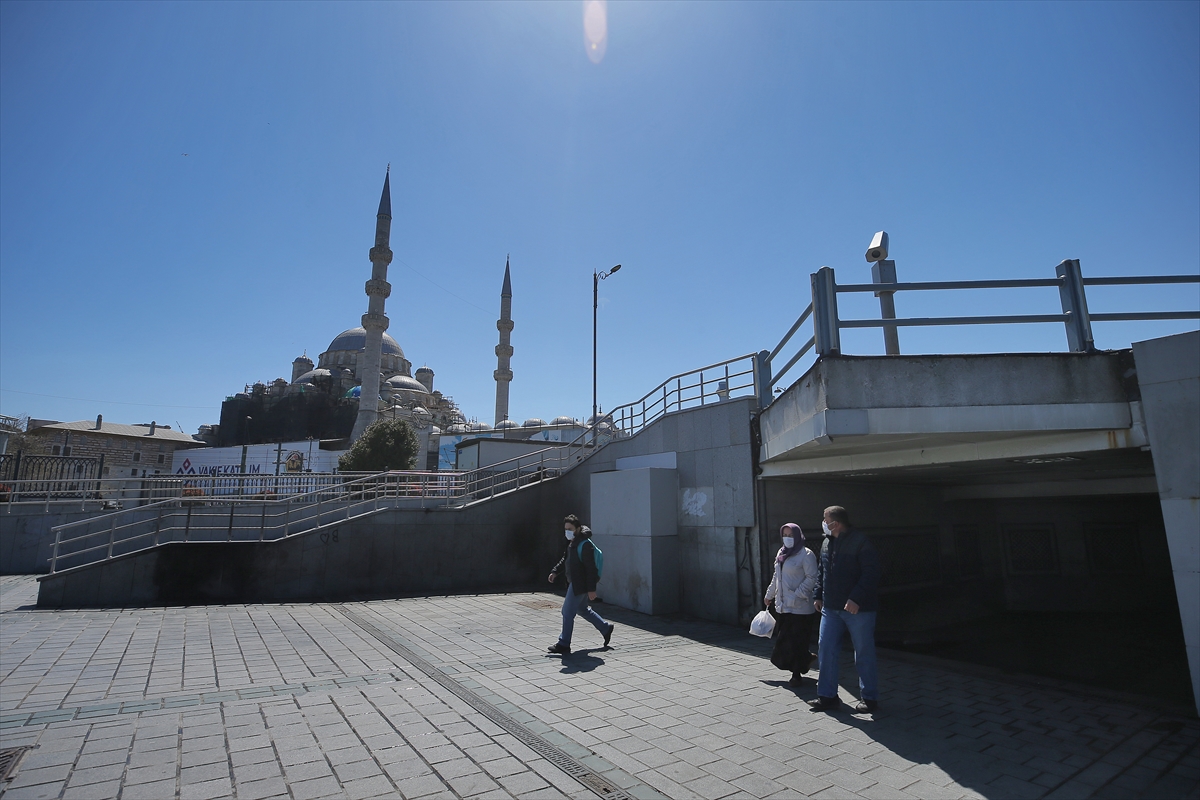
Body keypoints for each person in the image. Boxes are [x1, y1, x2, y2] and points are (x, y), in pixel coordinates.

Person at [808, 506, 882, 713]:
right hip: (830, 608)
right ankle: (827, 696)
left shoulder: (860, 543)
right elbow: (823, 571)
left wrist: (855, 598)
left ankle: (869, 698)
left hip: (859, 610)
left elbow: (871, 573)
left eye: (825, 519)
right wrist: (818, 594)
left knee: (863, 652)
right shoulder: (826, 542)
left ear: (836, 523)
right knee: (826, 650)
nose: (822, 522)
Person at [546, 514, 614, 655]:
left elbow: (591, 569)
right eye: (565, 529)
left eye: (570, 529)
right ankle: (605, 628)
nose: (567, 532)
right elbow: (566, 559)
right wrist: (554, 571)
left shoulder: (585, 544)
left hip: (580, 584)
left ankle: (564, 644)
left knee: (567, 611)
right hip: (576, 582)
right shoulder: (572, 542)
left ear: (577, 528)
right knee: (582, 609)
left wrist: (591, 589)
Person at [764, 523, 819, 687]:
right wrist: (769, 594)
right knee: (785, 641)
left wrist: (797, 596)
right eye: (785, 534)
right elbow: (777, 576)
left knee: (797, 641)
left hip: (801, 608)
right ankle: (806, 659)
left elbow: (812, 578)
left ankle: (796, 674)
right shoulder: (781, 553)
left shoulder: (806, 554)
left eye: (790, 535)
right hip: (783, 606)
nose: (787, 538)